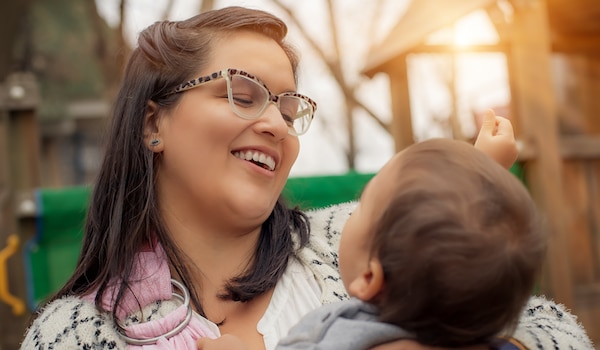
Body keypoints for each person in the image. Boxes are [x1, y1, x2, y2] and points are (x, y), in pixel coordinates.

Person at [20, 5, 592, 350]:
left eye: (289, 111)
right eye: (242, 94)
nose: (276, 124)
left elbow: (557, 330)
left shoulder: (357, 244)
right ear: (154, 123)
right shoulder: (71, 334)